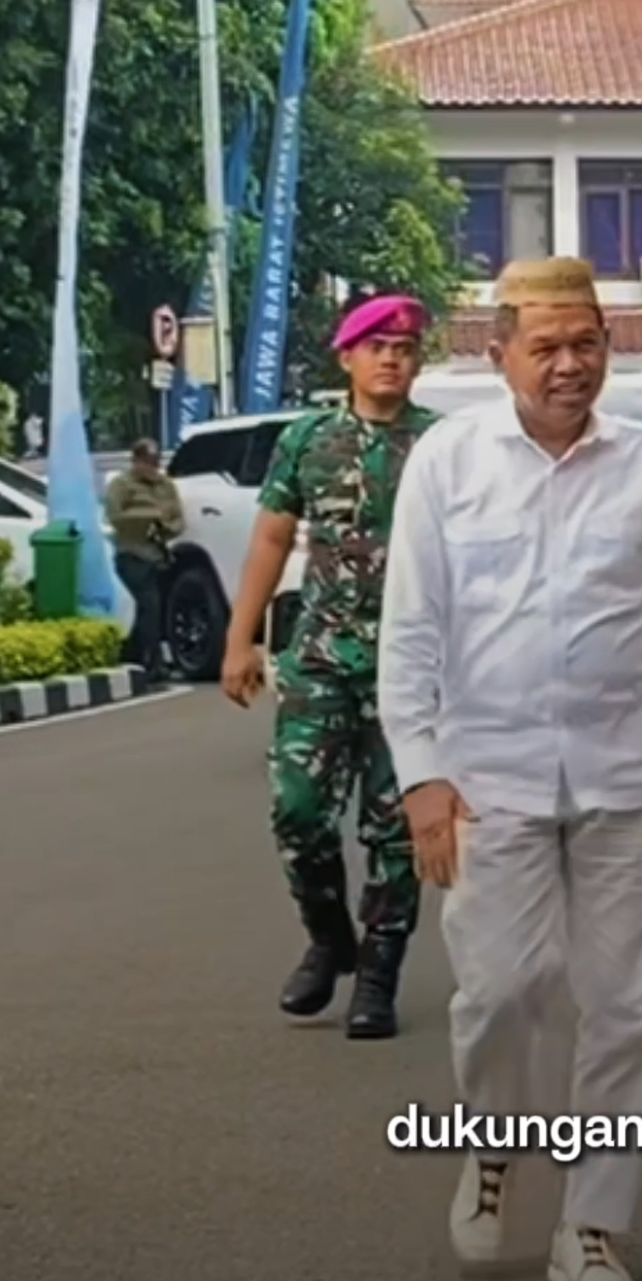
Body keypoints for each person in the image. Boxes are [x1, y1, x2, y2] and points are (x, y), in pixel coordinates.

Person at [378, 257, 642, 1281]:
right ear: (501, 355)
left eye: (586, 344)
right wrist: (421, 775)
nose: (570, 364)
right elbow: (412, 630)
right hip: (490, 777)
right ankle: (494, 1148)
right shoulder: (446, 462)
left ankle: (593, 1226)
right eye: (547, 347)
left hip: (631, 773)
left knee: (630, 1008)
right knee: (499, 992)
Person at [221, 294, 437, 1040]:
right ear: (346, 357)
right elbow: (271, 539)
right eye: (377, 347)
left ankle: (379, 973)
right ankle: (328, 936)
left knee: (397, 827)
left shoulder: (441, 445)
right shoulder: (308, 439)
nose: (391, 360)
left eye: (404, 349)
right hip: (321, 658)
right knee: (299, 809)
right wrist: (240, 640)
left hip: (413, 666)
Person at [104, 438, 183, 680]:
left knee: (153, 610)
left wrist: (163, 526)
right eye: (147, 462)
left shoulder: (166, 487)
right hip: (132, 553)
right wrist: (148, 518)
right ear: (136, 461)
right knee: (148, 606)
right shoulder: (122, 485)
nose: (152, 468)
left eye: (155, 462)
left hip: (158, 554)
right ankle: (152, 660)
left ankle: (137, 655)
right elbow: (115, 516)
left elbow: (177, 519)